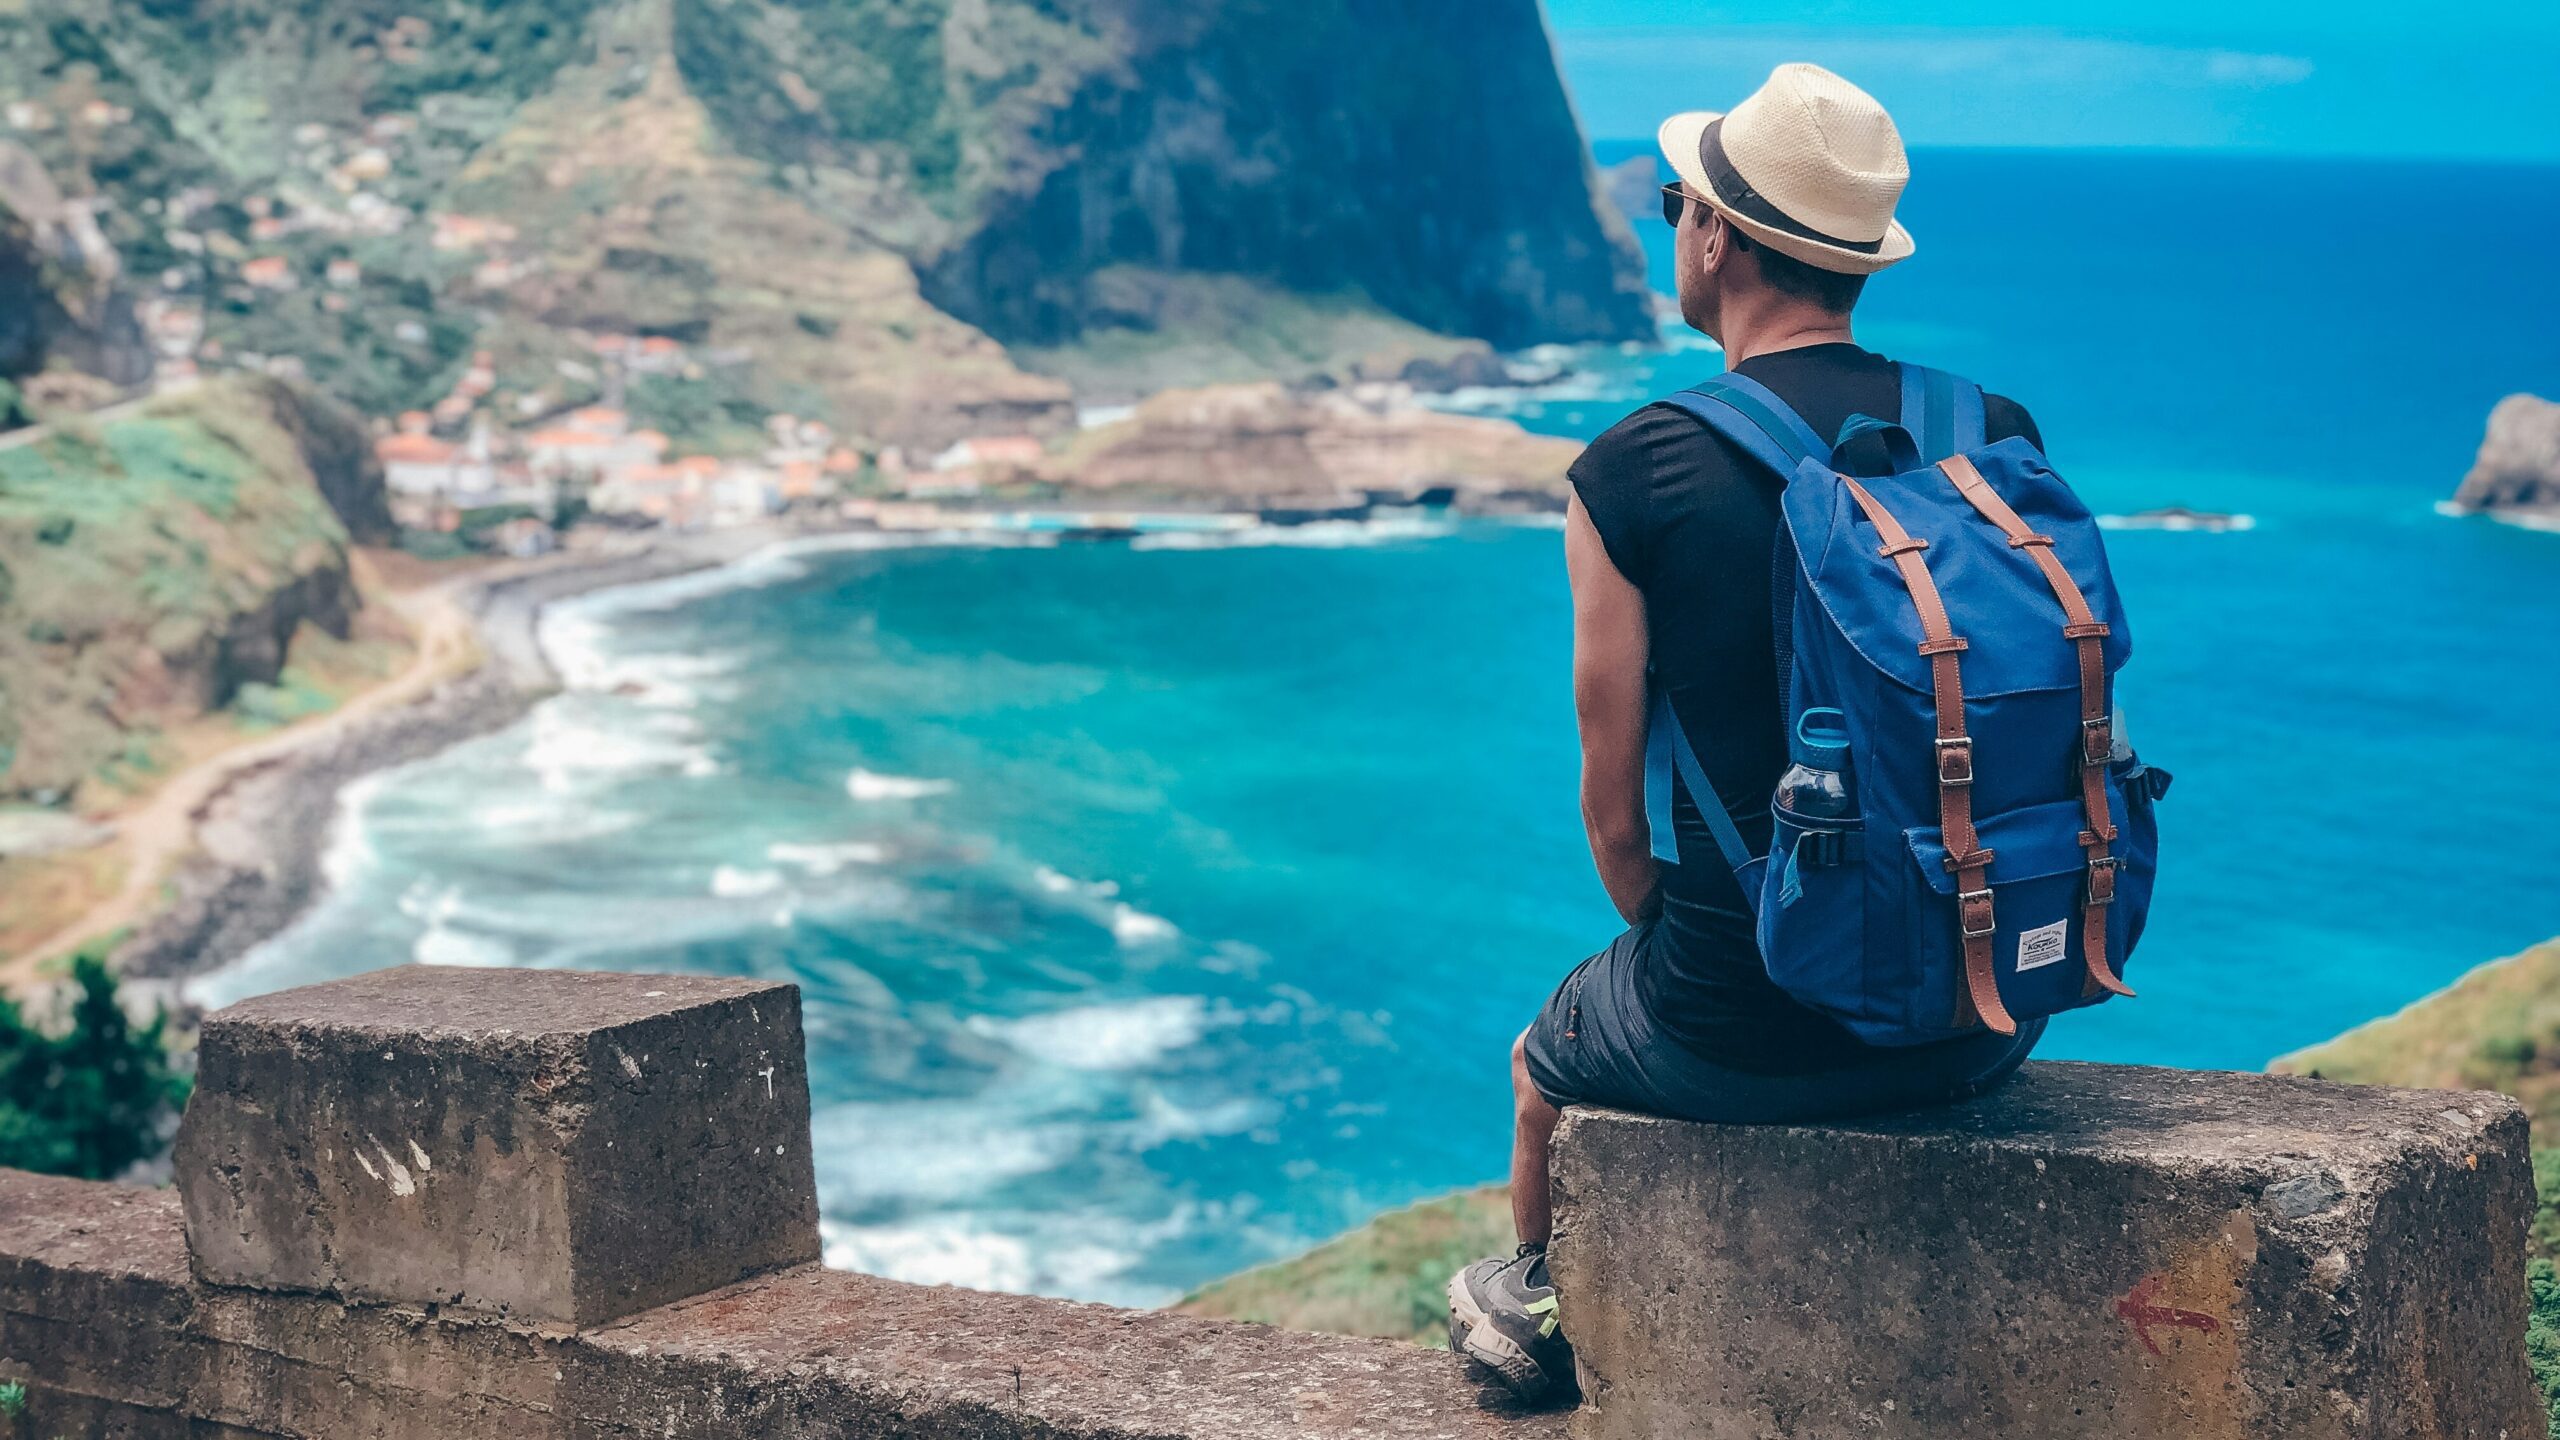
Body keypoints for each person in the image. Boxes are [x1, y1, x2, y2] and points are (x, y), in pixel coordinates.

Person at [1445, 63, 2048, 1404]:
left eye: (1677, 204)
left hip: (1739, 1028)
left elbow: (1615, 816)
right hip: (1987, 1008)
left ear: (1713, 236)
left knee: (1542, 1063)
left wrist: (1698, 943)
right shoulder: (1988, 432)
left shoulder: (1636, 473)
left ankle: (1537, 1308)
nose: (1675, 228)